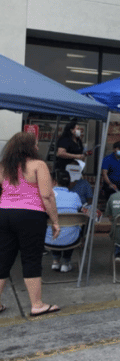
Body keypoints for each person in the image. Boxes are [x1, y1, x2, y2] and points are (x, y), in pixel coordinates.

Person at [0, 132, 60, 317]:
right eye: (35, 144)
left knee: (3, 258)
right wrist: (55, 221)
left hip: (3, 214)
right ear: (28, 147)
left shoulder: (3, 167)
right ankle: (37, 304)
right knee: (31, 257)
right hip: (30, 215)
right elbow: (47, 195)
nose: (37, 147)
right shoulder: (38, 165)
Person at [46, 170, 84, 274]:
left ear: (54, 182)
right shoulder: (75, 196)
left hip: (49, 240)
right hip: (71, 240)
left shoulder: (47, 197)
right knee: (71, 229)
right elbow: (81, 210)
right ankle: (66, 263)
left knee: (52, 229)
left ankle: (55, 261)